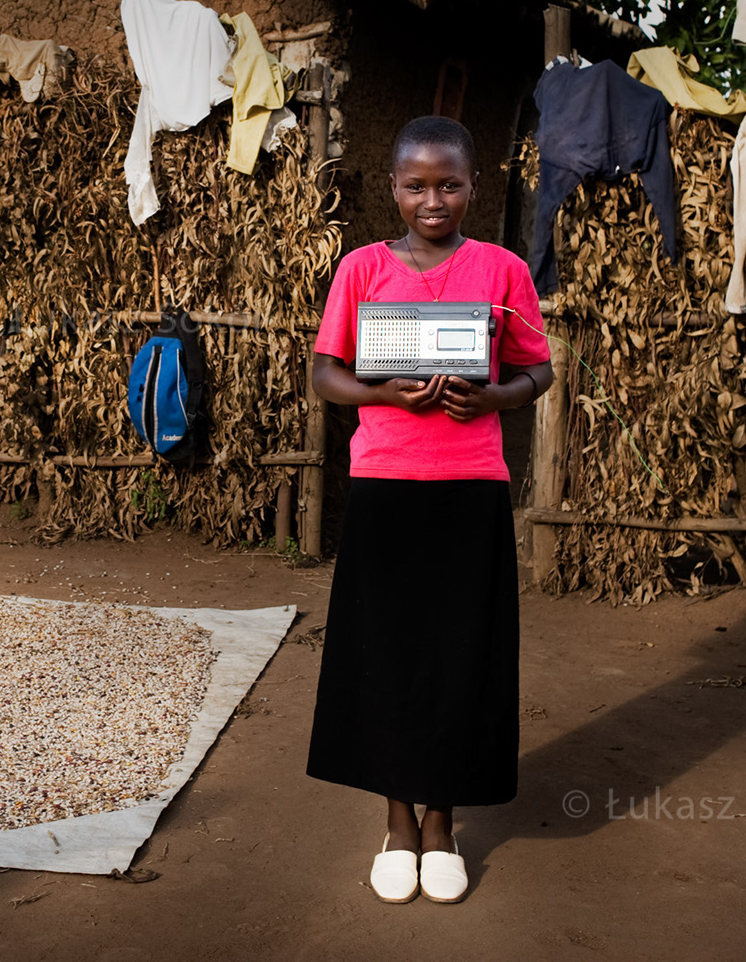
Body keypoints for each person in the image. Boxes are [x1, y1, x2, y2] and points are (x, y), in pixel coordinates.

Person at [306, 114, 554, 904]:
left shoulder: (503, 270)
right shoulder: (361, 270)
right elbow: (324, 372)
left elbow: (536, 374)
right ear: (394, 190)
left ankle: (443, 821)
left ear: (474, 187)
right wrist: (380, 391)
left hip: (471, 486)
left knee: (459, 653)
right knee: (386, 652)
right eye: (416, 185)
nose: (434, 199)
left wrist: (493, 397)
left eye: (449, 184)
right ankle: (397, 822)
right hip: (384, 483)